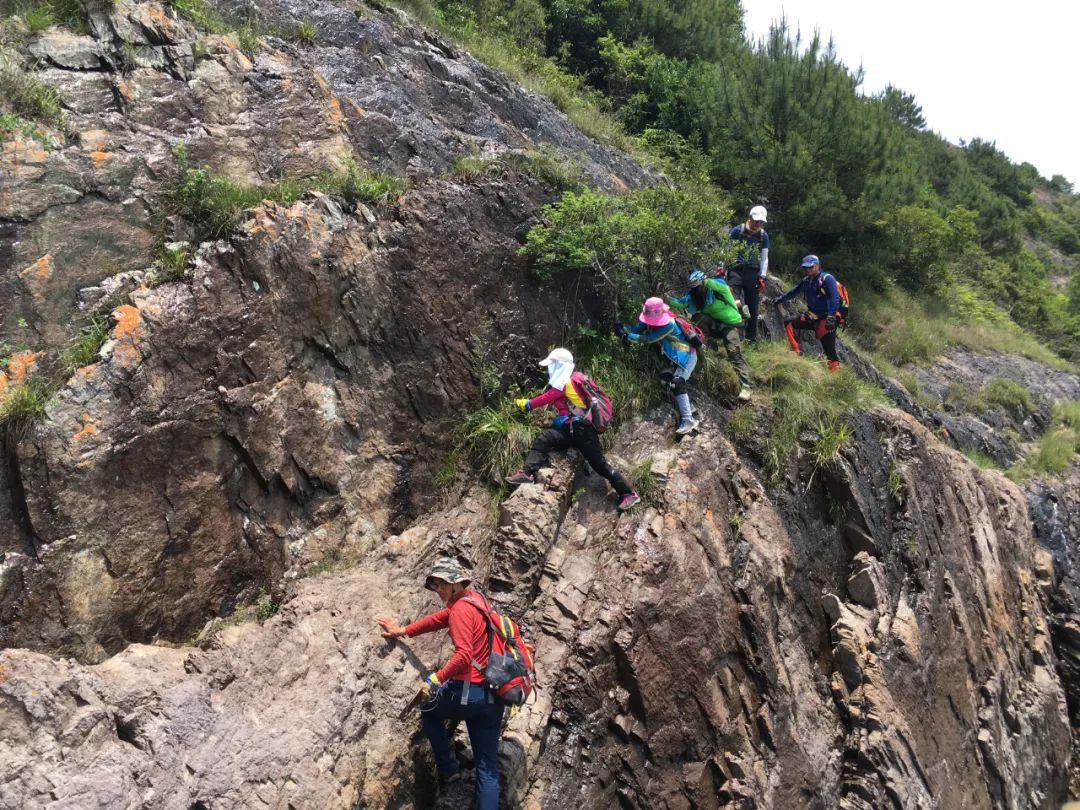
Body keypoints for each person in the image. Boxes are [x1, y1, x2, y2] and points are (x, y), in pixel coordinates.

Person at [376, 558, 504, 810]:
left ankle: (449, 769)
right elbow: (437, 620)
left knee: (429, 710)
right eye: (436, 586)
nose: (439, 591)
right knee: (487, 769)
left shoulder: (460, 610)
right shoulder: (475, 600)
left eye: (442, 584)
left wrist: (436, 678)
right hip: (493, 695)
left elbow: (464, 654)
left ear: (456, 584)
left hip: (468, 693)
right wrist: (402, 630)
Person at [505, 348, 640, 511]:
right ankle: (527, 473)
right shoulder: (574, 377)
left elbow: (545, 398)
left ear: (558, 365)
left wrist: (527, 404)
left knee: (599, 464)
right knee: (545, 437)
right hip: (572, 431)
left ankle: (628, 493)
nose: (549, 369)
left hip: (583, 432)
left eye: (552, 365)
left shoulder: (565, 382)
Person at [616, 297, 700, 435]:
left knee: (677, 383)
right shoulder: (651, 319)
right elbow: (638, 328)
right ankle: (690, 408)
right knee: (666, 381)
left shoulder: (669, 324)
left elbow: (649, 338)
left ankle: (688, 420)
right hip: (674, 358)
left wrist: (626, 336)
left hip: (687, 357)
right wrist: (623, 328)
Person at [669, 268, 752, 402]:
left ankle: (746, 386)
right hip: (715, 326)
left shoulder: (718, 287)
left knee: (733, 353)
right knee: (697, 317)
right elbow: (680, 302)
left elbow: (717, 284)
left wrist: (704, 281)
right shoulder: (695, 296)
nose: (698, 290)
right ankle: (710, 348)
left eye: (699, 286)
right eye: (695, 288)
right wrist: (665, 299)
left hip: (731, 325)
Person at [773, 254, 842, 372]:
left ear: (817, 266)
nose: (808, 270)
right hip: (812, 316)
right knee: (789, 323)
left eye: (811, 267)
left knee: (829, 351)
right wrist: (780, 299)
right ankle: (796, 352)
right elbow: (794, 292)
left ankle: (834, 378)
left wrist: (831, 317)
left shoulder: (827, 279)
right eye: (805, 268)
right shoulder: (806, 281)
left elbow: (835, 298)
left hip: (827, 319)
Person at [727, 205, 770, 342]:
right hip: (735, 270)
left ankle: (750, 338)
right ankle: (732, 335)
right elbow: (726, 250)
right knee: (733, 302)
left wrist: (762, 276)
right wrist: (721, 268)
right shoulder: (737, 231)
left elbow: (764, 258)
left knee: (753, 306)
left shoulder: (763, 236)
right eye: (756, 221)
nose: (758, 224)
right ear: (749, 218)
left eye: (761, 222)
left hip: (753, 273)